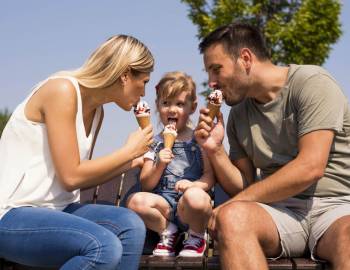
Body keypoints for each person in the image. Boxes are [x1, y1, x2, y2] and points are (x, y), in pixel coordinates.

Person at [195, 22, 350, 270]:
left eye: (216, 69)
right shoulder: (238, 115)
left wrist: (239, 200)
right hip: (280, 212)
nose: (212, 82)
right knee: (232, 217)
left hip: (337, 207)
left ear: (245, 58)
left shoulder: (312, 83)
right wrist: (215, 150)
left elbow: (310, 167)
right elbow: (244, 186)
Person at [0, 35, 155, 270]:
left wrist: (131, 161)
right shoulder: (61, 90)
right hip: (11, 213)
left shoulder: (97, 112)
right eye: (143, 81)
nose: (143, 92)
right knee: (103, 246)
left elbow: (81, 179)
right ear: (125, 75)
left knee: (130, 224)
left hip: (58, 210)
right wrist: (127, 152)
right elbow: (71, 176)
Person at [127, 71, 215, 257]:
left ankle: (197, 236)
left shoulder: (198, 139)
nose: (172, 109)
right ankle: (168, 232)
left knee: (196, 198)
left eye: (180, 104)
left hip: (190, 208)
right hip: (164, 207)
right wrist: (159, 164)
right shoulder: (153, 142)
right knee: (136, 202)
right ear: (158, 106)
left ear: (192, 107)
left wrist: (194, 185)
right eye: (166, 103)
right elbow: (146, 183)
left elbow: (209, 176)